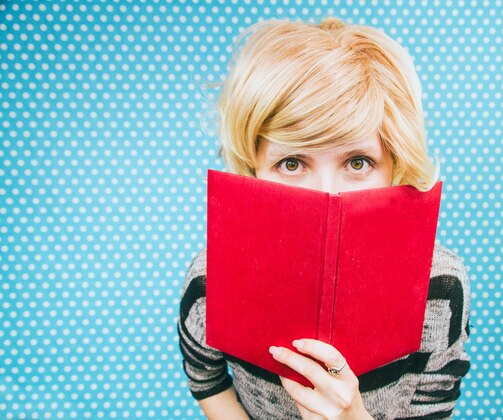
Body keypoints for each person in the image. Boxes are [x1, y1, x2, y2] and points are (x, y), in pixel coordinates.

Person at [178, 17, 470, 419]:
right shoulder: (213, 276)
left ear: (395, 167)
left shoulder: (442, 286)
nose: (326, 193)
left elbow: (435, 406)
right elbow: (205, 377)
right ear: (253, 171)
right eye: (292, 162)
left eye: (358, 161)